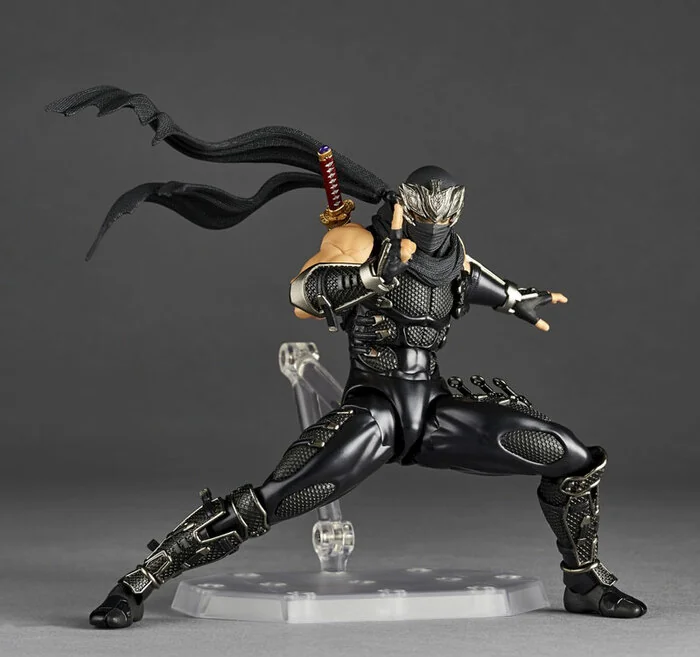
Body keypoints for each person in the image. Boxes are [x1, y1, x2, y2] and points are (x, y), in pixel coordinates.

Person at [46, 88, 647, 628]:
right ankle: (140, 580)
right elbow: (301, 296)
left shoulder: (451, 254)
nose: (436, 230)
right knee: (275, 497)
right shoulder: (359, 240)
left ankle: (584, 583)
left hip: (435, 409)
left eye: (446, 219)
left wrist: (518, 299)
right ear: (409, 206)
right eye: (428, 217)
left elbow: (474, 280)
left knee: (571, 456)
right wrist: (366, 276)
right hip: (375, 410)